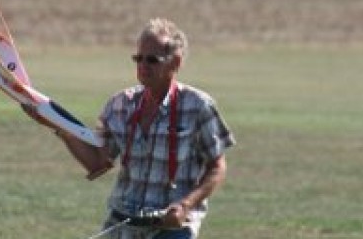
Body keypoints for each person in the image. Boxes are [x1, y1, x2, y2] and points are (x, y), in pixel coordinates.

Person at [22, 18, 235, 238]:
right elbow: (97, 162)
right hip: (123, 221)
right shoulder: (119, 104)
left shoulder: (198, 106)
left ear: (175, 62)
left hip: (171, 228)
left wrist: (186, 205)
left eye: (152, 60)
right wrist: (57, 126)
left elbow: (217, 167)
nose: (143, 65)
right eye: (138, 58)